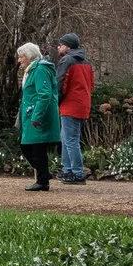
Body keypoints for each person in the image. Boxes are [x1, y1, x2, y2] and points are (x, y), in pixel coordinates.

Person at [16, 42, 60, 190]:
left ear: (29, 57)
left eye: (21, 57)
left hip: (37, 114)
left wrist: (37, 116)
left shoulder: (40, 69)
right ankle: (43, 175)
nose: (19, 60)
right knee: (31, 145)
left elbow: (45, 94)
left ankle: (43, 180)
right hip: (30, 113)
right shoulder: (32, 70)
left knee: (35, 146)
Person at [54, 33, 93, 184]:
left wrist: (56, 101)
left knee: (70, 140)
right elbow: (90, 84)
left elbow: (61, 84)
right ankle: (67, 170)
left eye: (61, 44)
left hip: (70, 104)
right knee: (67, 139)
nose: (59, 47)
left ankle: (76, 172)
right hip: (83, 103)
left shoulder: (66, 61)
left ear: (68, 46)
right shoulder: (86, 62)